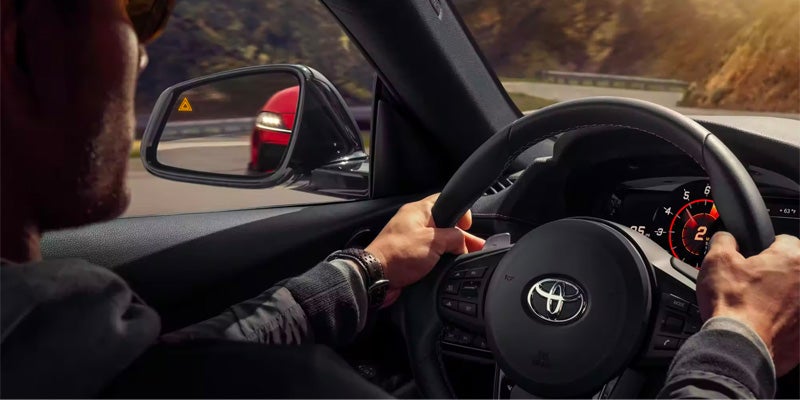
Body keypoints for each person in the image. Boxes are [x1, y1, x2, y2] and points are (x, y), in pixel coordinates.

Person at [0, 0, 797, 398]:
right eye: (135, 11)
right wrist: (739, 338)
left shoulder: (53, 349)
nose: (142, 51)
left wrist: (372, 268)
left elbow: (185, 369)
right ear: (19, 38)